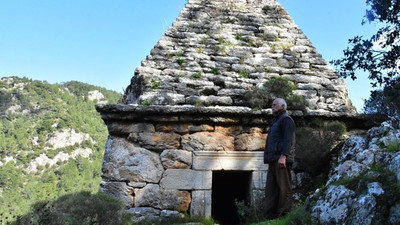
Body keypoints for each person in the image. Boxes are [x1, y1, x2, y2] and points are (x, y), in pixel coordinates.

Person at [263, 98, 296, 219]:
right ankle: (270, 218)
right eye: (272, 105)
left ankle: (284, 215)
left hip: (281, 159)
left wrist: (284, 156)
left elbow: (288, 139)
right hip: (273, 160)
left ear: (282, 106)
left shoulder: (286, 120)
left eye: (275, 105)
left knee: (284, 189)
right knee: (271, 190)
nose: (272, 106)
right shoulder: (276, 121)